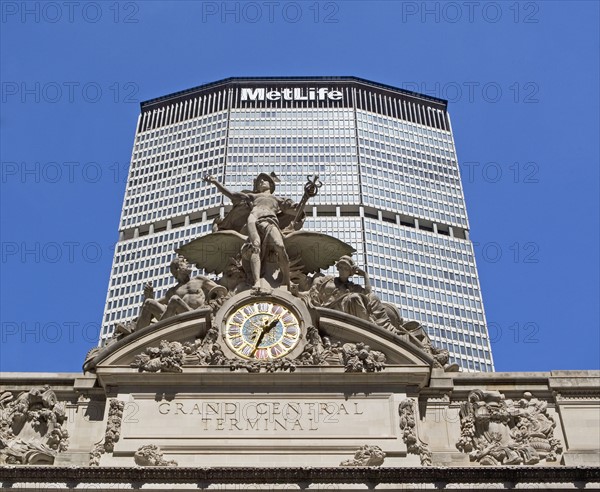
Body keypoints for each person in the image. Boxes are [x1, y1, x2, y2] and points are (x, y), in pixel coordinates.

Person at [203, 173, 298, 290]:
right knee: (255, 246)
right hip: (253, 220)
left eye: (264, 180)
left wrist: (307, 196)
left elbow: (296, 212)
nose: (261, 182)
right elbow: (232, 195)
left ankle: (287, 280)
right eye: (259, 181)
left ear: (271, 185)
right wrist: (215, 182)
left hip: (270, 221)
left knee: (280, 246)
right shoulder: (253, 196)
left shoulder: (278, 199)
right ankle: (257, 281)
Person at [128, 256, 225, 331]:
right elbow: (153, 304)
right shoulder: (172, 291)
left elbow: (219, 289)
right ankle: (137, 336)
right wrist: (148, 296)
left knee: (174, 299)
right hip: (178, 317)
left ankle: (160, 329)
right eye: (183, 262)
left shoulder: (199, 279)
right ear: (177, 269)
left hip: (195, 313)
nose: (187, 263)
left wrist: (216, 304)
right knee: (149, 302)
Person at [306, 256, 397, 332]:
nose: (342, 270)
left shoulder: (352, 287)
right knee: (355, 297)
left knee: (367, 297)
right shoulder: (328, 280)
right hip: (326, 308)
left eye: (346, 269)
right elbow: (314, 289)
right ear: (337, 268)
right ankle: (369, 325)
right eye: (341, 267)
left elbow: (368, 293)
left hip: (341, 309)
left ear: (350, 272)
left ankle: (372, 326)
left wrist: (365, 275)